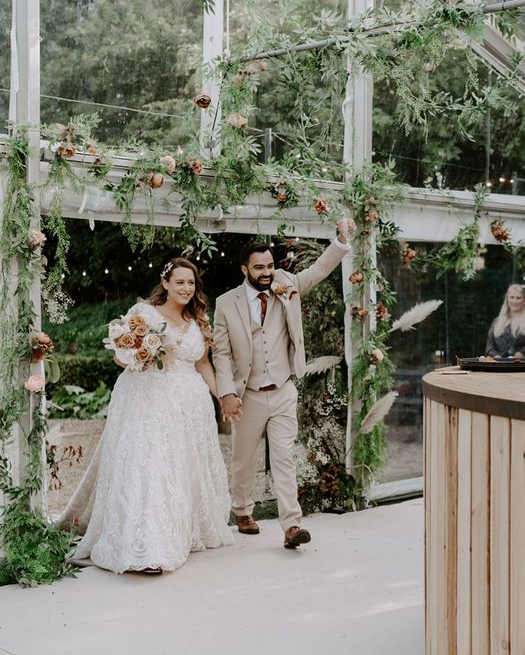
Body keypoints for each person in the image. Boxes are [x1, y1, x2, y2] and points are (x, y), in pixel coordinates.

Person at [58, 258, 234, 574]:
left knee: (180, 469)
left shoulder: (199, 320)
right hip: (148, 400)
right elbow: (120, 356)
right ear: (165, 283)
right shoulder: (143, 315)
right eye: (179, 282)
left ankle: (176, 531)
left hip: (189, 408)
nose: (186, 288)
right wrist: (143, 354)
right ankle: (145, 545)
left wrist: (222, 396)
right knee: (149, 465)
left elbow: (203, 364)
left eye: (191, 283)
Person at [213, 219, 355, 549]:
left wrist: (340, 241)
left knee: (284, 459)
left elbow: (318, 271)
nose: (267, 272)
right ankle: (242, 511)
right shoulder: (226, 303)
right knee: (243, 458)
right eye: (259, 267)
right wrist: (227, 393)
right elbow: (220, 353)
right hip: (246, 394)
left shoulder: (286, 285)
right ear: (244, 269)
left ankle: (292, 526)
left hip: (283, 390)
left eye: (270, 265)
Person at [485, 284, 525, 359]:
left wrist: (521, 354)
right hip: (498, 366)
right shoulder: (496, 321)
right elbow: (489, 347)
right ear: (507, 300)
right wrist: (497, 358)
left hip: (522, 365)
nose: (514, 301)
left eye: (518, 298)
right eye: (512, 297)